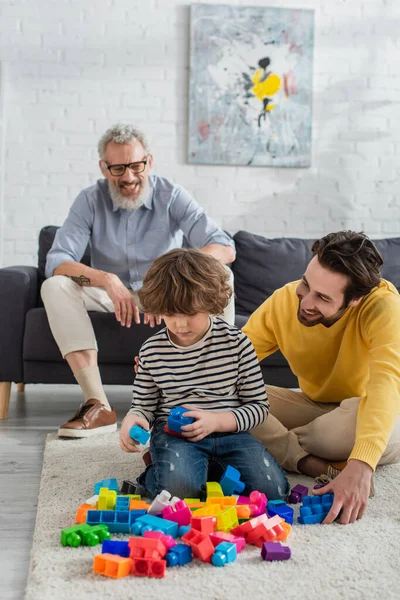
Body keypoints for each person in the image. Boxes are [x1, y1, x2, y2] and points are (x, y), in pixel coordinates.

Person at [41, 124, 235, 438]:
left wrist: (169, 282)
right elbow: (57, 261)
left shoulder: (171, 195)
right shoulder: (89, 200)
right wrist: (107, 279)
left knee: (222, 273)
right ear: (104, 168)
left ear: (150, 162)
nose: (128, 177)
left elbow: (224, 247)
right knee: (54, 285)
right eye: (118, 168)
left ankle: (214, 398)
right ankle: (98, 405)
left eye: (135, 166)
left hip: (167, 294)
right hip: (112, 296)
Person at [242, 231, 400, 524]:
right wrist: (167, 367)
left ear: (354, 300)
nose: (305, 301)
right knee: (230, 394)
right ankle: (308, 460)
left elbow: (386, 383)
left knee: (352, 429)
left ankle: (251, 442)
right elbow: (230, 361)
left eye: (323, 297)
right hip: (315, 406)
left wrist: (362, 465)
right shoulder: (284, 301)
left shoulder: (383, 306)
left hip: (367, 412)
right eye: (306, 284)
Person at [119, 248, 289, 501]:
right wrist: (132, 419)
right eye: (169, 314)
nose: (180, 324)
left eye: (190, 313)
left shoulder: (237, 343)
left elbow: (259, 407)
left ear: (211, 303)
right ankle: (157, 470)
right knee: (180, 494)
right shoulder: (152, 351)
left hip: (230, 433)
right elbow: (143, 406)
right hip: (176, 436)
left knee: (273, 492)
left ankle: (202, 472)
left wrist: (217, 421)